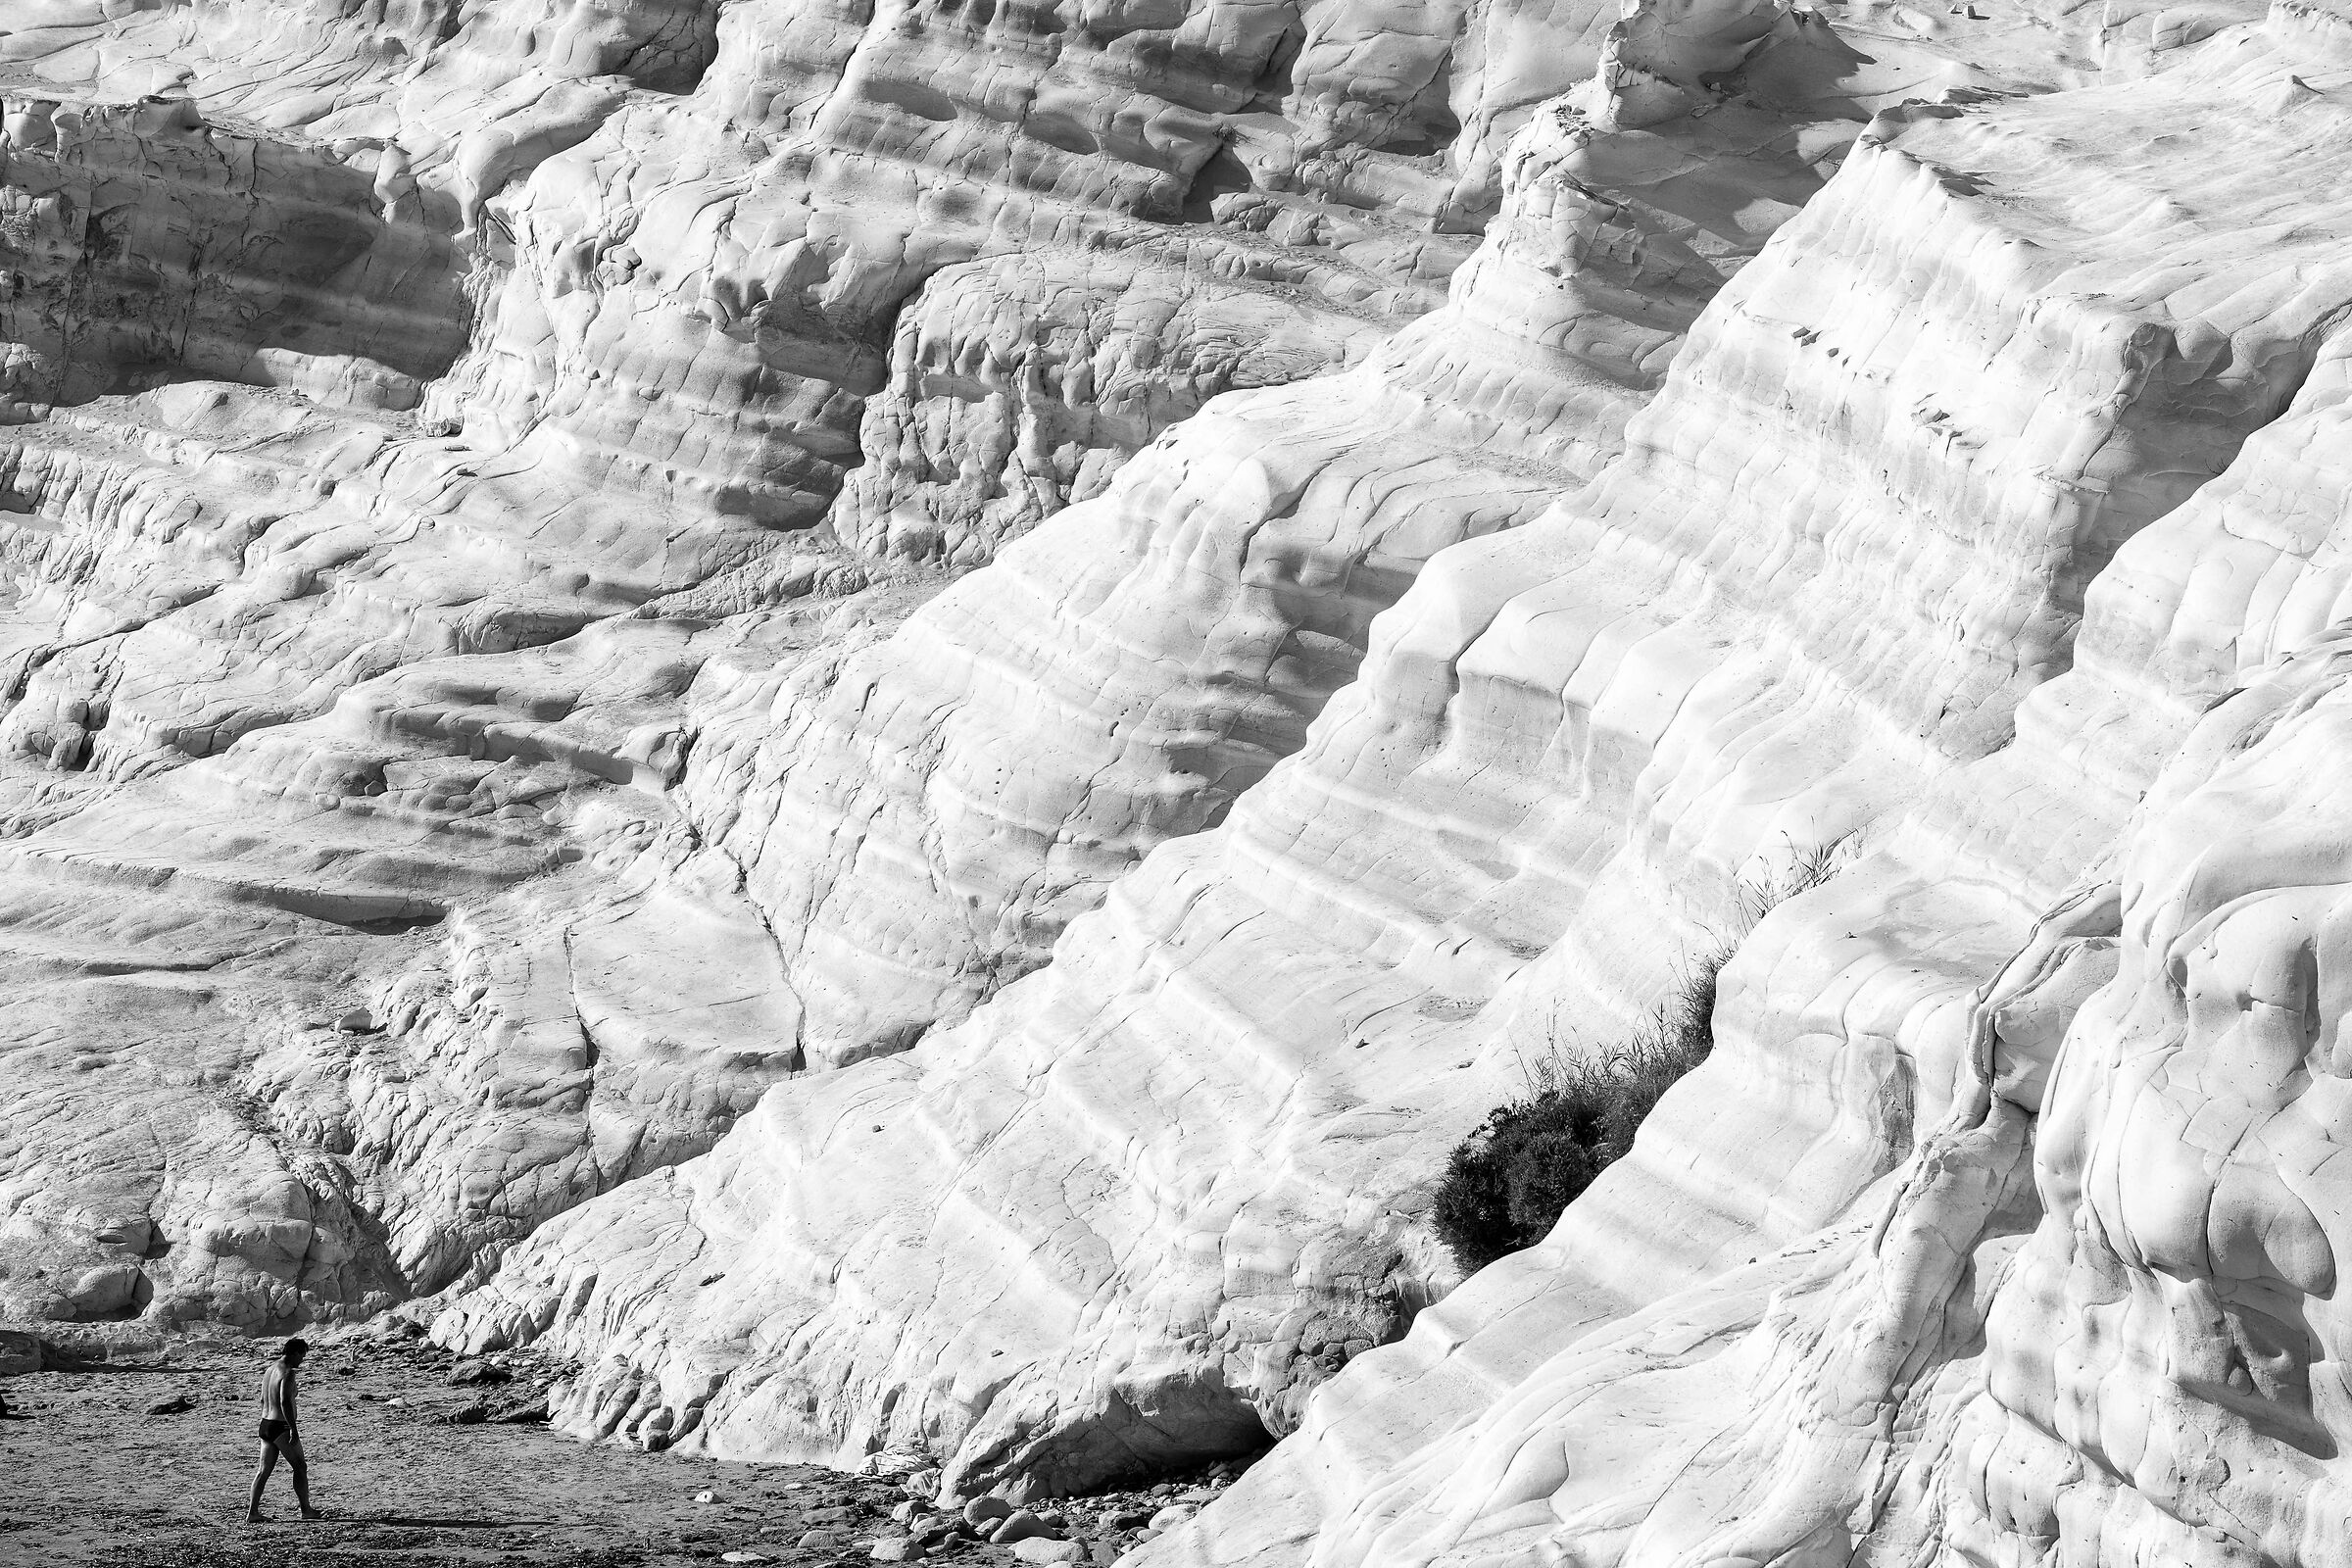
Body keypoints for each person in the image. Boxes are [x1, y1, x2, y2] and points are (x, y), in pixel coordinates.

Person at [246, 1338, 321, 1523]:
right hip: (281, 1426)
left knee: (263, 1471)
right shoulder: (288, 1372)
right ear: (295, 1352)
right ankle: (306, 1510)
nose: (302, 1360)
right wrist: (293, 1429)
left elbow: (263, 1400)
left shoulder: (269, 1370)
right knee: (300, 1466)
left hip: (265, 1424)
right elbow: (285, 1401)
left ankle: (252, 1512)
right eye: (302, 1355)